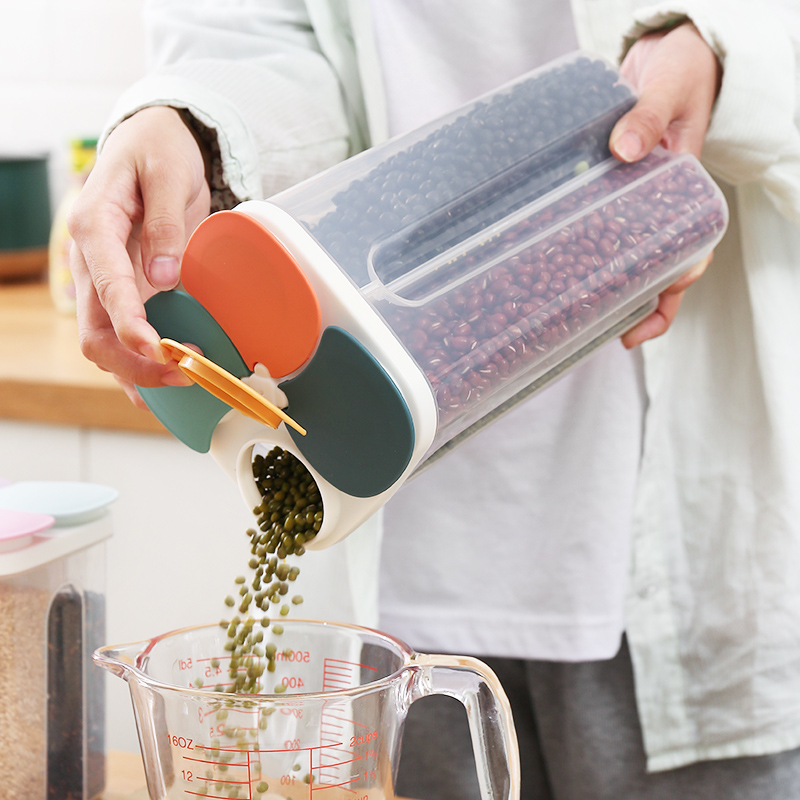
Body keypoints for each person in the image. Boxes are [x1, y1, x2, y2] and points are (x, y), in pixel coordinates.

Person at [67, 1, 800, 798]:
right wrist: (188, 123)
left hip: (682, 533)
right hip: (398, 510)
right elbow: (256, 38)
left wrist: (720, 50)